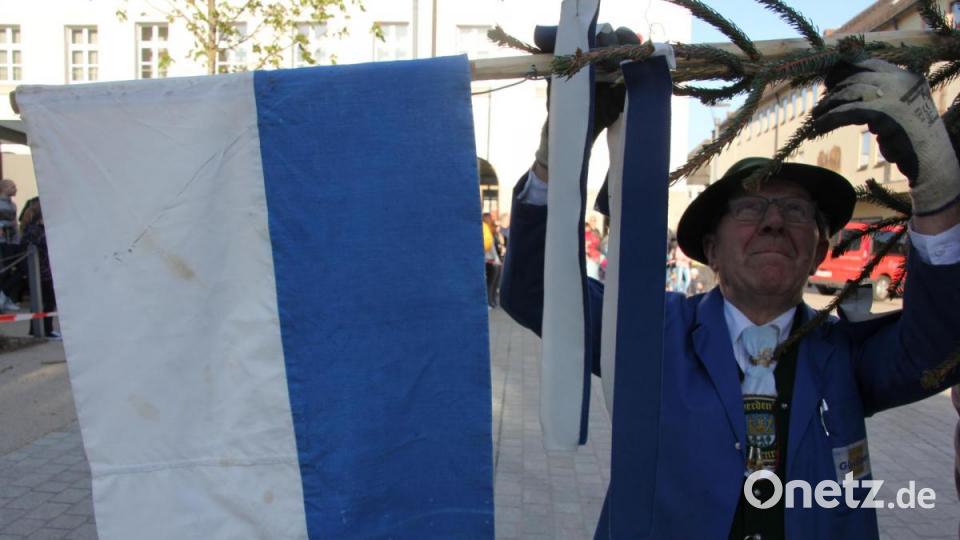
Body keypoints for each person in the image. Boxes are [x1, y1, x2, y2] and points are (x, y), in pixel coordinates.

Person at [500, 53, 960, 539]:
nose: (774, 220)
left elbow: (940, 349)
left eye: (796, 211)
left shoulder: (844, 355)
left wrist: (937, 184)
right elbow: (534, 292)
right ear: (711, 250)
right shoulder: (650, 335)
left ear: (818, 251)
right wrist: (559, 154)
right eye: (750, 208)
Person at [482, 212, 502, 308]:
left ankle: (491, 301)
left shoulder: (488, 231)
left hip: (490, 260)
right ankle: (490, 302)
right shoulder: (487, 231)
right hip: (491, 261)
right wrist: (497, 260)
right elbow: (491, 248)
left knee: (492, 283)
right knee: (491, 283)